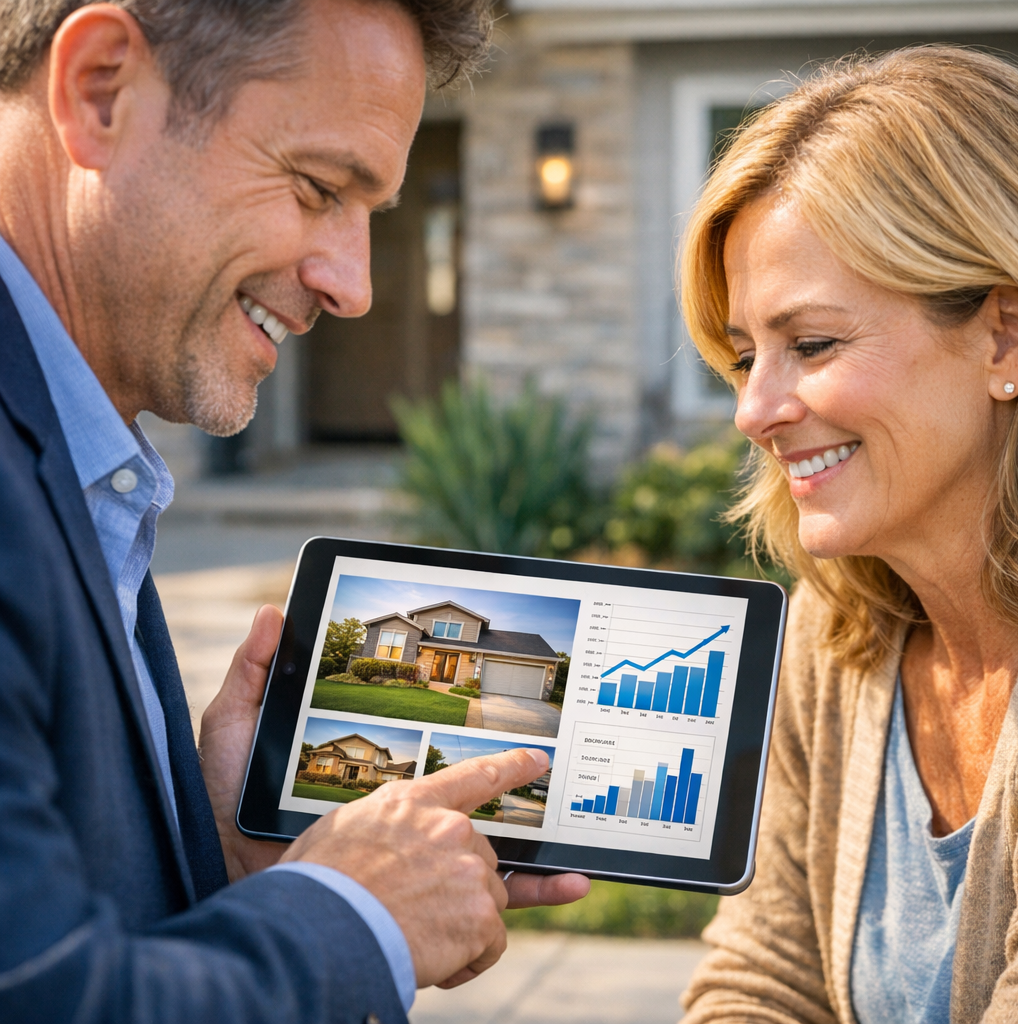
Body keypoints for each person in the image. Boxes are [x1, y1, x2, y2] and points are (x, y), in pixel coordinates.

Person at [0, 1, 589, 1021]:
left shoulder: (79, 459)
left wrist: (229, 861)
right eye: (319, 188)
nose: (352, 285)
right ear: (100, 89)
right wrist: (350, 908)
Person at [676, 45, 1018, 1023]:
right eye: (746, 356)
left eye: (812, 344)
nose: (753, 408)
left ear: (1004, 336)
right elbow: (755, 979)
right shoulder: (833, 649)